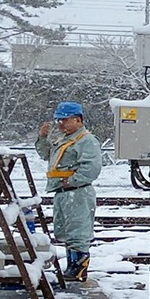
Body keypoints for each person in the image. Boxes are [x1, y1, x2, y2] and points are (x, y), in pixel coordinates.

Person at [36, 101, 103, 283]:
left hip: (77, 192)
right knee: (66, 230)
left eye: (64, 120)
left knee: (78, 231)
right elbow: (47, 156)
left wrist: (72, 181)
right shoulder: (64, 139)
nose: (60, 124)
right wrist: (42, 138)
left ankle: (79, 269)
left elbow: (92, 168)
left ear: (78, 120)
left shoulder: (86, 141)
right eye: (58, 120)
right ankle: (72, 267)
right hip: (64, 192)